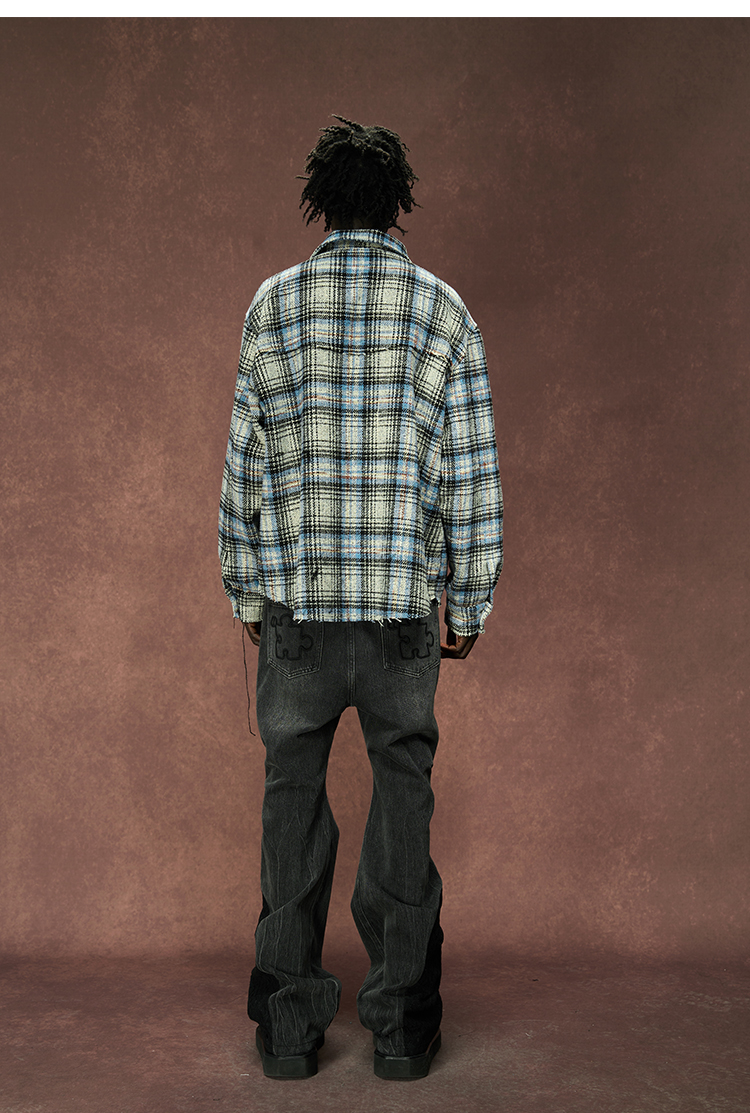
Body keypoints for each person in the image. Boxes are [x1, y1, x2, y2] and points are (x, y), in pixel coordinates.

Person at [218, 116, 503, 1081]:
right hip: (398, 621)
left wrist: (246, 587)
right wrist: (469, 602)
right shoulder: (443, 312)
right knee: (403, 808)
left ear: (322, 203)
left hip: (297, 618)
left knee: (290, 804)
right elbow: (471, 472)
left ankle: (288, 1029)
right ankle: (401, 1028)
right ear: (396, 205)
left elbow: (245, 465)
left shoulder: (273, 307)